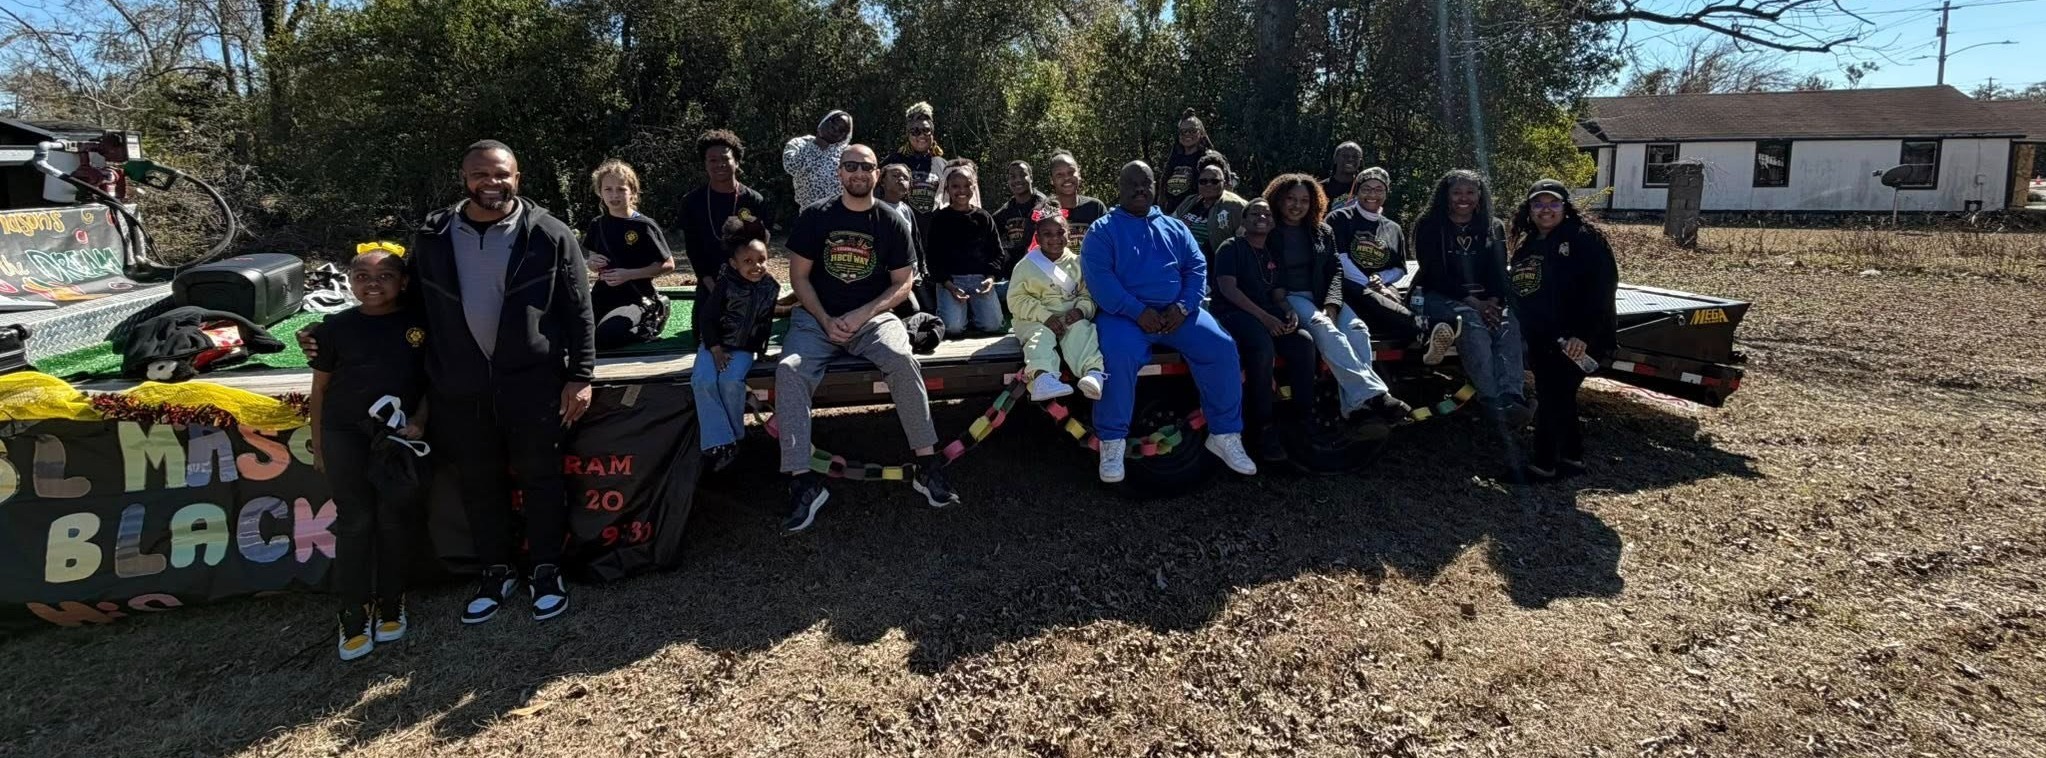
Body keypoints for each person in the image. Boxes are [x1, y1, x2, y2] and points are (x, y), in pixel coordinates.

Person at [778, 144, 959, 532]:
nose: (859, 173)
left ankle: (927, 466)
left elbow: (902, 283)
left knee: (902, 359)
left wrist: (862, 314)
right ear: (839, 173)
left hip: (874, 318)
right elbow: (799, 278)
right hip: (816, 320)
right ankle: (801, 481)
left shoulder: (890, 220)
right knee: (789, 370)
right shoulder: (815, 217)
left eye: (867, 167)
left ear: (877, 174)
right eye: (851, 166)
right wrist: (826, 319)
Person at [1083, 160, 1256, 483]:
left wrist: (1184, 306)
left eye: (1145, 183)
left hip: (1178, 315)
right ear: (1119, 189)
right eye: (1131, 183)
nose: (1139, 189)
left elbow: (1196, 268)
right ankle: (1112, 442)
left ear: (1155, 188)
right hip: (1125, 317)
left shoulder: (1176, 227)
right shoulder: (1102, 230)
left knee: (1221, 347)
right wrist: (1137, 311)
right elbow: (1100, 280)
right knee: (1116, 357)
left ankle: (1225, 434)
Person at [308, 243, 427, 661]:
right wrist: (320, 443)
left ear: (403, 282)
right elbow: (320, 389)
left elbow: (429, 381)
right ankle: (353, 609)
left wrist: (421, 420)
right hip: (344, 434)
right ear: (350, 281)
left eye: (385, 276)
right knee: (355, 520)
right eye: (363, 277)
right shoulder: (334, 328)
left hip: (394, 437)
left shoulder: (419, 325)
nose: (373, 284)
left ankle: (392, 600)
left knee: (393, 517)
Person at [1263, 173, 1411, 425]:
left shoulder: (1323, 231)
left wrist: (1332, 303)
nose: (1297, 205)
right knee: (1323, 327)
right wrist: (1285, 304)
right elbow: (1268, 274)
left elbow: (1335, 270)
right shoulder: (1268, 232)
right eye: (1290, 199)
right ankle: (1374, 395)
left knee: (1357, 328)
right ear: (1278, 199)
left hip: (1323, 295)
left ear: (1314, 203)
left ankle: (1354, 408)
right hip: (1290, 296)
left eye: (1304, 200)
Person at [1507, 179, 1617, 481]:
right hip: (1545, 338)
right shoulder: (1529, 244)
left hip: (1578, 339)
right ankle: (1572, 459)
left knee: (1554, 397)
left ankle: (1542, 466)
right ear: (1529, 209)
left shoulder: (1585, 238)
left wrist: (1583, 335)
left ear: (1565, 206)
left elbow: (1602, 290)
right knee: (1561, 396)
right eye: (1538, 204)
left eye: (1553, 203)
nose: (1546, 210)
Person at [1410, 169, 1529, 426]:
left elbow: (1500, 270)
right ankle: (1490, 399)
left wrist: (1495, 303)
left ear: (1480, 195)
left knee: (1508, 323)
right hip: (1437, 295)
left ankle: (1512, 397)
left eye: (1470, 192)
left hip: (1487, 298)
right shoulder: (1429, 224)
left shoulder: (1492, 225)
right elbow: (1433, 273)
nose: (1464, 198)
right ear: (1446, 195)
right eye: (1457, 192)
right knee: (1470, 323)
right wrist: (1475, 303)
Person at [1209, 199, 1318, 463]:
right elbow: (1228, 289)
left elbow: (1278, 294)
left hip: (1268, 312)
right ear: (1244, 220)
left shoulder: (1272, 252)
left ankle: (1303, 419)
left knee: (1303, 341)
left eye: (1267, 213)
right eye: (1255, 212)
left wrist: (1288, 312)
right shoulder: (1231, 248)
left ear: (1272, 222)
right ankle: (1262, 428)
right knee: (1262, 347)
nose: (1262, 216)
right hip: (1233, 313)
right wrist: (1264, 318)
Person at [693, 217, 787, 473]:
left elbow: (766, 317)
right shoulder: (726, 285)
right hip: (714, 344)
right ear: (734, 264)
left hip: (743, 348)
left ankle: (734, 438)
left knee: (730, 382)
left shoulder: (770, 287)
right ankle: (717, 441)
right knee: (702, 381)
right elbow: (707, 317)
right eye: (748, 262)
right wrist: (714, 348)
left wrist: (764, 350)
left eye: (761, 260)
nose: (756, 266)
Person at [1007, 204, 1105, 402]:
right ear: (1037, 237)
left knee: (1082, 332)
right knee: (1038, 337)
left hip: (1069, 317)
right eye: (1047, 234)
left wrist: (1080, 311)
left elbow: (1088, 295)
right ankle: (1043, 378)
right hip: (1034, 319)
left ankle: (1093, 373)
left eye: (1060, 233)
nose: (1055, 239)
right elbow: (1016, 300)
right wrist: (1046, 317)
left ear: (1068, 234)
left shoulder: (1078, 263)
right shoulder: (1025, 266)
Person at [1325, 166, 1424, 344]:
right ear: (1357, 192)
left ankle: (1420, 336)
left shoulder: (1393, 228)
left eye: (1379, 189)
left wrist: (1380, 278)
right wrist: (1369, 284)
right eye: (1366, 189)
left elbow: (1399, 268)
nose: (1372, 194)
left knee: (1395, 298)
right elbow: (1339, 259)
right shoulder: (1338, 218)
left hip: (1382, 285)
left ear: (1386, 194)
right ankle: (1425, 327)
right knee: (1366, 294)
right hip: (1347, 286)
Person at [584, 159, 675, 349]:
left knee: (606, 336)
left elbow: (668, 265)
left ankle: (651, 319)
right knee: (576, 333)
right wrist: (591, 263)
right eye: (608, 189)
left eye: (621, 189)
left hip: (636, 296)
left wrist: (628, 274)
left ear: (632, 192)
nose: (614, 195)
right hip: (603, 294)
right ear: (599, 192)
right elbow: (592, 260)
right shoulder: (597, 224)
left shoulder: (643, 225)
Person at [680, 130, 773, 283]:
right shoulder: (692, 202)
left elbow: (761, 246)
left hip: (747, 280)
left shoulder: (754, 200)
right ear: (705, 163)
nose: (719, 165)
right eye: (713, 160)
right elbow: (694, 249)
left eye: (725, 159)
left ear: (736, 162)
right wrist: (709, 283)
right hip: (710, 282)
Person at [926, 159, 1006, 337]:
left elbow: (997, 252)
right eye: (955, 186)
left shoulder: (984, 218)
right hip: (950, 282)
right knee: (953, 328)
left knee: (992, 325)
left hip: (980, 280)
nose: (961, 191)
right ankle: (957, 313)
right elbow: (932, 258)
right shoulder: (939, 219)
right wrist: (949, 285)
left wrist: (991, 278)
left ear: (973, 188)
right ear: (948, 189)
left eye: (966, 185)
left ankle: (973, 312)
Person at [879, 162, 934, 315]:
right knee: (911, 310)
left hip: (912, 274)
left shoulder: (906, 209)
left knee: (928, 309)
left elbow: (915, 241)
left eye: (905, 177)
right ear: (882, 180)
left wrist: (922, 267)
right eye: (895, 176)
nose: (900, 180)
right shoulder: (875, 209)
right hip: (888, 277)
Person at [1170, 151, 1248, 256]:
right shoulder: (1190, 201)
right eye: (1203, 181)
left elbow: (1247, 243)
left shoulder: (1237, 206)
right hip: (1181, 261)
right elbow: (1168, 226)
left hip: (1215, 266)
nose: (1208, 185)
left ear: (1224, 183)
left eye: (1214, 181)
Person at [882, 102, 947, 216]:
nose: (921, 135)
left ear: (932, 133)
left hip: (934, 231)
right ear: (908, 134)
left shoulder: (943, 165)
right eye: (915, 131)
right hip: (901, 228)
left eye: (926, 130)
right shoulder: (892, 162)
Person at [784, 110, 854, 210]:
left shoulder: (848, 153)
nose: (835, 129)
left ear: (845, 136)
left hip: (841, 215)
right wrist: (817, 146)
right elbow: (790, 166)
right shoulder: (800, 143)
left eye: (842, 130)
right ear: (824, 121)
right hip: (810, 215)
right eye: (834, 123)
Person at [1047, 151, 1108, 255]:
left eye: (1071, 172)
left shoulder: (1095, 207)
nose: (1066, 178)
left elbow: (1108, 245)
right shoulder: (1045, 211)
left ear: (1079, 174)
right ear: (1052, 180)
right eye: (1059, 174)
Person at [990, 160, 1048, 271]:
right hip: (1015, 269)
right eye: (1012, 176)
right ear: (1008, 181)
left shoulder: (1043, 203)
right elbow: (990, 232)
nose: (1017, 180)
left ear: (1031, 177)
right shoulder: (1006, 210)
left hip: (1041, 266)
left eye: (1023, 175)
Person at [1158, 109, 1216, 213]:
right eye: (1183, 131)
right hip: (1171, 216)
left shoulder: (1209, 158)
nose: (1188, 134)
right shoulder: (1174, 160)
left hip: (1197, 217)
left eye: (1193, 130)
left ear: (1201, 133)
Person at [1322, 142, 1365, 211]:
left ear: (1360, 161)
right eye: (1345, 156)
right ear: (1335, 158)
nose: (1350, 159)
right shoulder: (1320, 187)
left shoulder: (1364, 189)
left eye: (1355, 157)